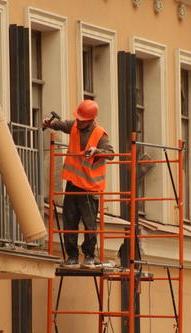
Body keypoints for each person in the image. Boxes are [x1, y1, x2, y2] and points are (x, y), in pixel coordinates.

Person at [43, 100, 114, 268]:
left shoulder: (100, 134)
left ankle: (89, 255)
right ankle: (72, 256)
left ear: (91, 119)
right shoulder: (74, 125)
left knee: (89, 224)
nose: (79, 121)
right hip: (74, 184)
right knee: (70, 220)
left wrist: (97, 151)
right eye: (78, 118)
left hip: (89, 187)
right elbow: (63, 124)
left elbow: (110, 154)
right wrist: (50, 123)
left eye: (82, 119)